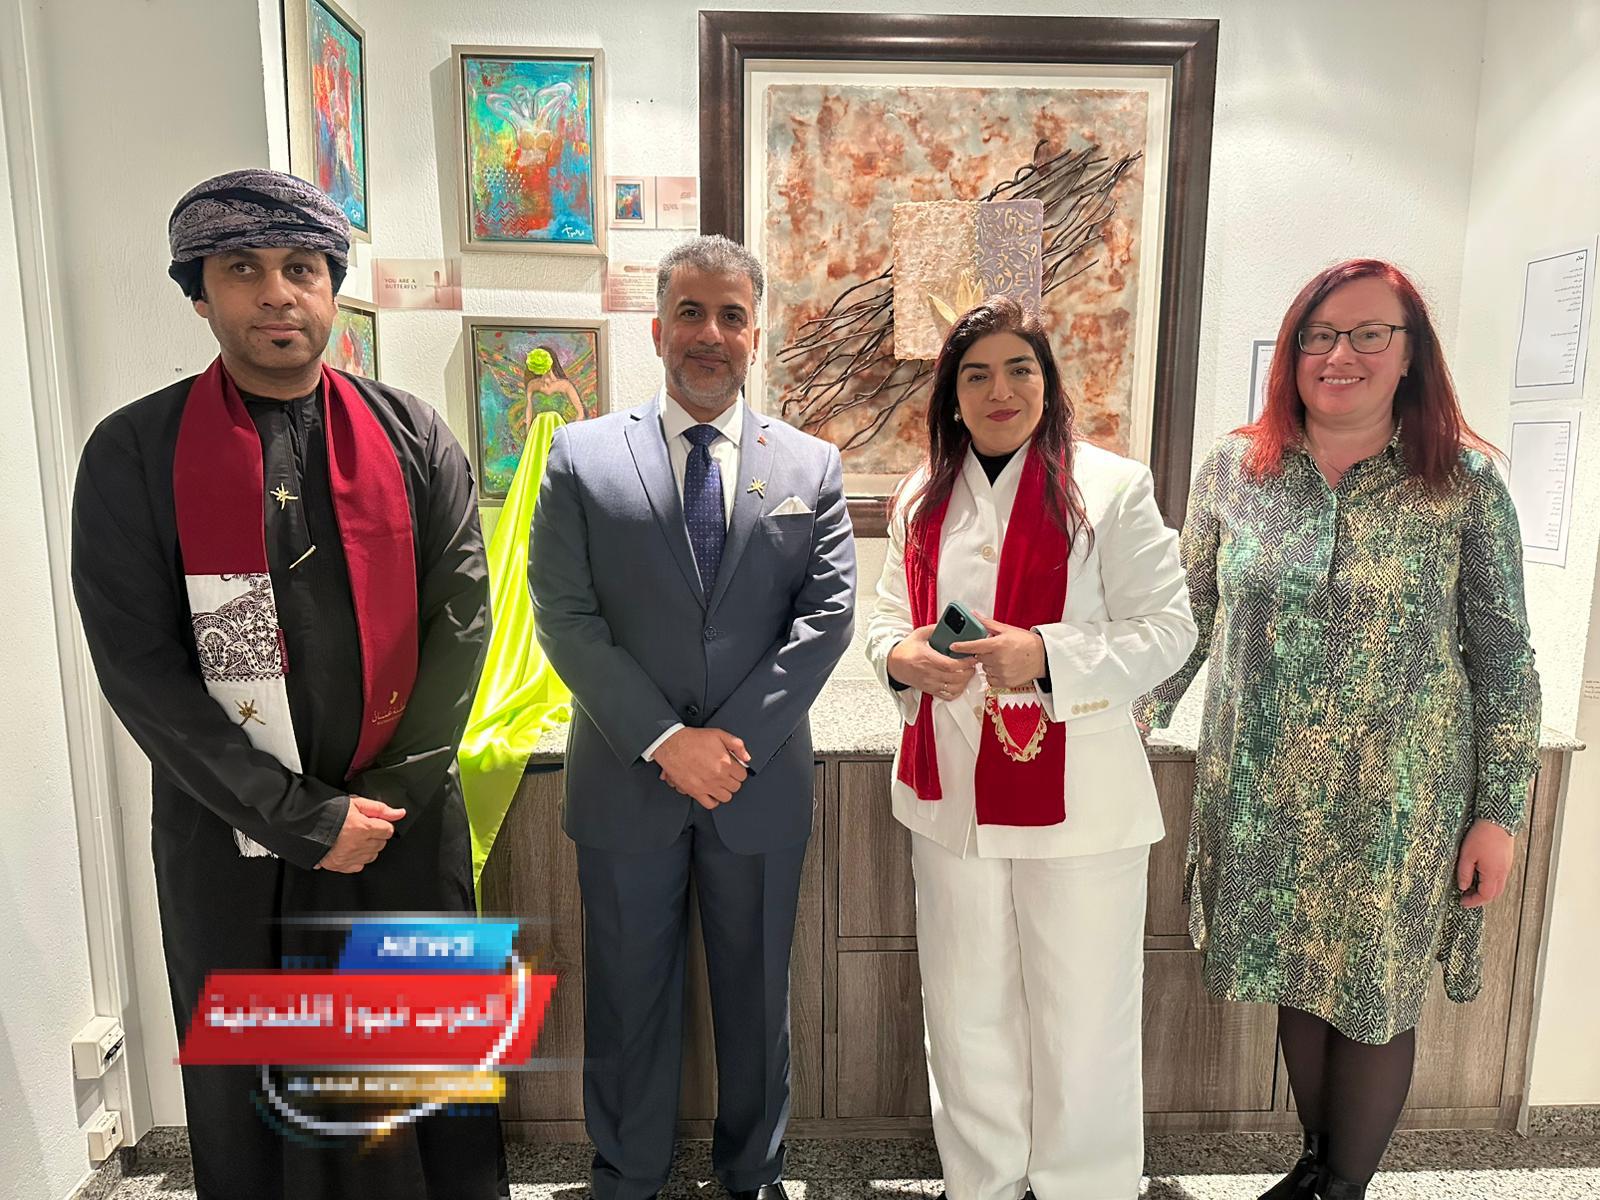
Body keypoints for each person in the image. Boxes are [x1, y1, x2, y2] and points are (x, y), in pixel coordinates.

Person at [70, 169, 503, 1200]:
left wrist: (375, 806)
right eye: (243, 269)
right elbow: (140, 670)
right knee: (258, 1093)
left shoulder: (412, 436)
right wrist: (300, 818)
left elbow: (461, 629)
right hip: (232, 836)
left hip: (399, 829)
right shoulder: (134, 453)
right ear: (199, 293)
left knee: (414, 1087)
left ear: (330, 287)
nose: (276, 293)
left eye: (301, 267)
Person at [1135, 259, 1541, 1200]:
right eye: (1318, 336)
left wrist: (1498, 813)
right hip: (1263, 795)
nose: (1340, 355)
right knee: (1296, 980)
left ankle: (1343, 1186)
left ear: (1411, 353)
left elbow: (1505, 658)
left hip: (1398, 804)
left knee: (1374, 997)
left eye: (1368, 334)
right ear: (1292, 353)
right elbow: (1188, 619)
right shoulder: (1236, 469)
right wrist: (1128, 720)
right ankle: (1316, 1167)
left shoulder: (1463, 483)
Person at [529, 234, 856, 1200]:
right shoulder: (582, 456)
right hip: (627, 777)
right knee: (628, 998)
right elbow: (565, 616)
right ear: (658, 326)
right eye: (690, 313)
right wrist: (667, 741)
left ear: (756, 332)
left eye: (731, 315)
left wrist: (728, 746)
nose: (710, 333)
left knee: (758, 1000)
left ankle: (753, 1176)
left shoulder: (811, 465)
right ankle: (627, 1177)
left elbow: (827, 619)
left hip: (758, 785)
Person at [865, 297, 1197, 1200]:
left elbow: (1169, 630)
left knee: (1081, 1013)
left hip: (1079, 803)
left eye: (1019, 368)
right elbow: (887, 619)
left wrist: (1046, 655)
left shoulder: (1111, 488)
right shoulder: (920, 496)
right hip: (951, 796)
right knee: (965, 1008)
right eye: (976, 374)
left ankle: (1084, 1186)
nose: (999, 390)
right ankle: (984, 1182)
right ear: (952, 393)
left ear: (1048, 382)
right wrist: (898, 657)